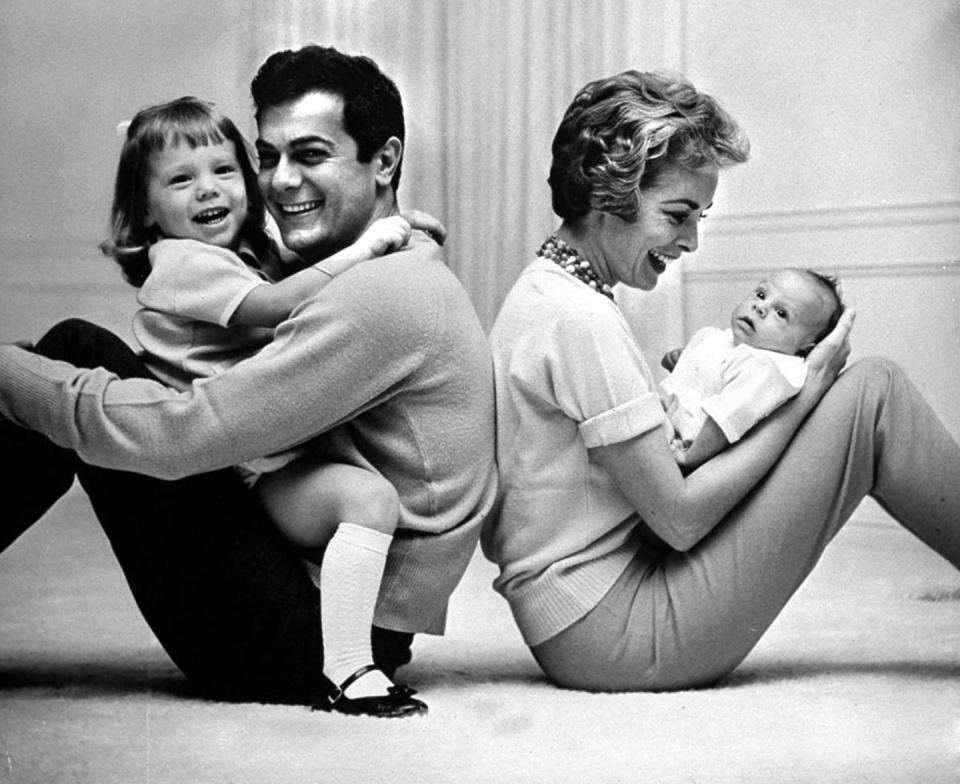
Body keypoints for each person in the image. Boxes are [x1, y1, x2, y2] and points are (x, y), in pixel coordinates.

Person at [0, 45, 498, 714]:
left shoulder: (381, 296)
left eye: (312, 155)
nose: (282, 182)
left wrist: (13, 374)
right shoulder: (391, 269)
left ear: (384, 161)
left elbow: (180, 437)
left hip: (302, 642)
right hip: (339, 609)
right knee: (72, 357)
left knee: (66, 360)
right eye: (268, 158)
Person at [483, 69, 960, 692]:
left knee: (866, 389)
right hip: (615, 631)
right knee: (873, 394)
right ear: (609, 192)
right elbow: (678, 519)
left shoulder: (550, 292)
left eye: (700, 216)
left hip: (594, 606)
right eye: (679, 214)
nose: (692, 240)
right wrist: (806, 395)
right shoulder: (579, 319)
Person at [101, 95, 455, 717]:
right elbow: (279, 306)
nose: (207, 190)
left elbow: (313, 279)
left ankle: (347, 662)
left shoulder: (250, 256)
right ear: (146, 210)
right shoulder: (181, 261)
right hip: (219, 459)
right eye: (180, 180)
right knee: (366, 498)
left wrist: (402, 230)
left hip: (264, 457)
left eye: (224, 171)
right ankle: (350, 673)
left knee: (368, 499)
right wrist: (370, 248)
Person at [660, 268, 843, 469]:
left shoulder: (767, 368)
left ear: (803, 348)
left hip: (699, 454)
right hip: (674, 430)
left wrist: (690, 458)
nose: (760, 307)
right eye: (761, 294)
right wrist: (686, 361)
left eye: (781, 313)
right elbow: (712, 370)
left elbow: (726, 419)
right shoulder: (732, 341)